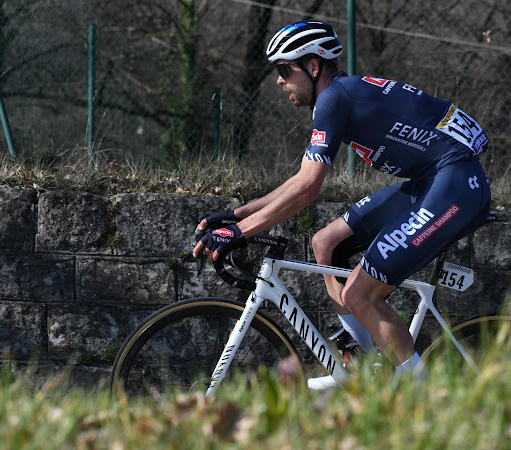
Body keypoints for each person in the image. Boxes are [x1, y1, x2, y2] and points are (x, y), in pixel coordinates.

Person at [193, 19, 491, 389]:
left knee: (359, 293)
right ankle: (358, 362)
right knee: (325, 242)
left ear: (313, 66)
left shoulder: (334, 98)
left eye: (285, 69)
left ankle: (423, 398)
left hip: (456, 184)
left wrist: (239, 232)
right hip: (434, 181)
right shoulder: (338, 96)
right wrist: (238, 214)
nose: (278, 80)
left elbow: (307, 190)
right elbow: (300, 180)